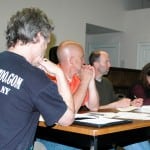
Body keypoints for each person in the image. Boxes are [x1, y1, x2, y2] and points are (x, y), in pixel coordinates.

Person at [0, 8, 75, 150]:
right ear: (38, 36)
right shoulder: (35, 77)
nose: (45, 48)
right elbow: (67, 118)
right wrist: (59, 73)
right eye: (46, 43)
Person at [36, 40, 99, 150]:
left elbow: (94, 106)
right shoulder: (50, 77)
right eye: (81, 57)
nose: (84, 61)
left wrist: (90, 80)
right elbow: (69, 111)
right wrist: (84, 83)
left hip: (73, 133)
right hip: (51, 136)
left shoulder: (77, 77)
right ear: (72, 60)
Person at [89, 50, 150, 150]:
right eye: (106, 61)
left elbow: (115, 101)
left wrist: (131, 103)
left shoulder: (106, 82)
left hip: (114, 125)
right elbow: (86, 110)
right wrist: (114, 105)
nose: (110, 64)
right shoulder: (86, 82)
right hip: (98, 128)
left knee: (140, 141)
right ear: (96, 64)